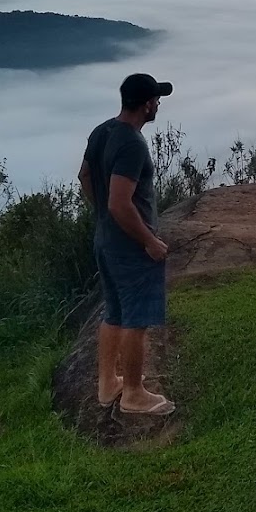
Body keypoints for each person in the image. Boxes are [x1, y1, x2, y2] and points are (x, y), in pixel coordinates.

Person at [78, 72, 175, 415]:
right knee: (137, 319)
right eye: (157, 99)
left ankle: (108, 384)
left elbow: (84, 176)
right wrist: (149, 241)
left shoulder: (101, 131)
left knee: (115, 312)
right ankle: (133, 393)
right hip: (130, 246)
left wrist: (103, 216)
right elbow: (120, 203)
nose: (158, 104)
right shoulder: (132, 143)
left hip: (106, 240)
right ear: (147, 105)